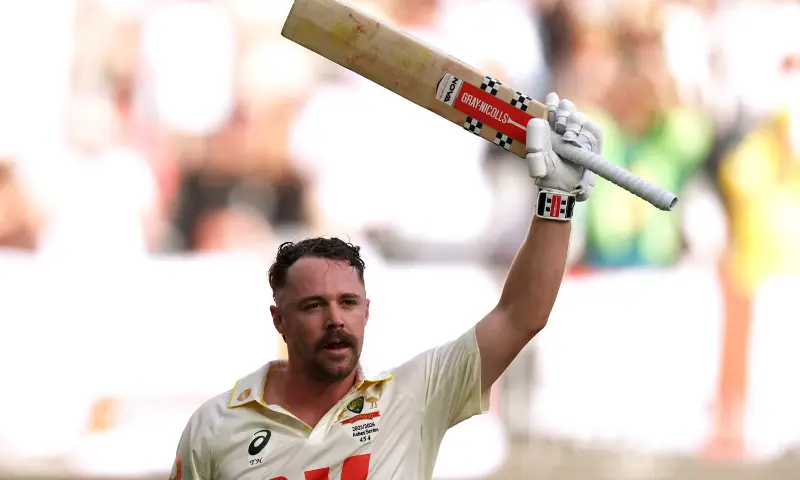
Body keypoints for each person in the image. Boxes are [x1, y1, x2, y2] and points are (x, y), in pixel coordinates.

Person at [168, 93, 602, 480]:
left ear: (367, 312)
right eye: (314, 306)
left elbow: (521, 315)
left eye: (348, 302)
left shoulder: (414, 397)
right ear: (278, 319)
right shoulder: (214, 426)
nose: (335, 319)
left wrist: (556, 200)